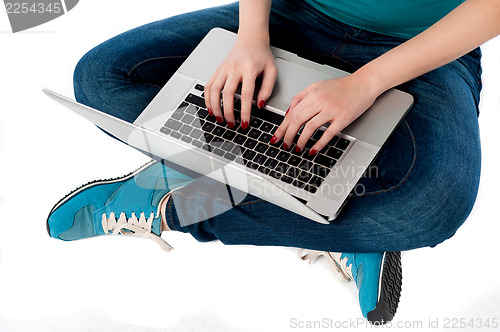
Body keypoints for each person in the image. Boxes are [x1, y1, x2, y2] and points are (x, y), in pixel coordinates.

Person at [46, 0, 500, 324]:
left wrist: (367, 83)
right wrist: (251, 37)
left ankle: (173, 205)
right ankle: (333, 211)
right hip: (293, 13)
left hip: (424, 49)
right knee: (103, 79)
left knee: (432, 207)